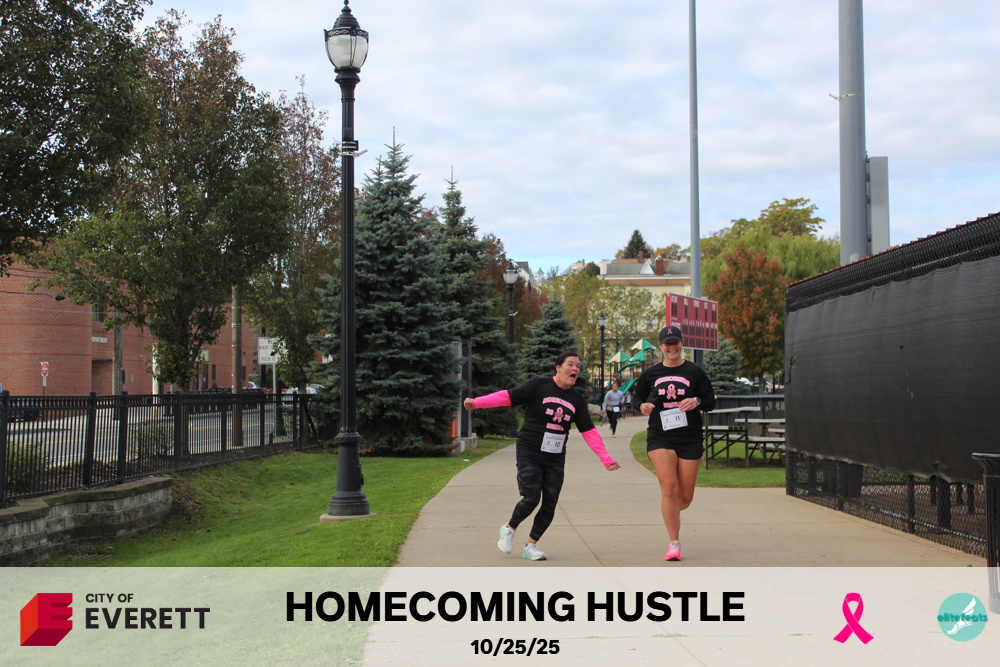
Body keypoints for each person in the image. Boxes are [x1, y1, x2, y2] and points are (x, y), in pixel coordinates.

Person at [464, 352, 621, 561]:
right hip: (530, 450)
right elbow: (508, 396)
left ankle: (531, 545)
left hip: (555, 456)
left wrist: (605, 458)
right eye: (570, 364)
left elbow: (589, 431)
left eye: (578, 366)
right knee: (531, 497)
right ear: (558, 367)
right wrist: (477, 403)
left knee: (550, 503)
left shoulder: (576, 399)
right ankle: (509, 528)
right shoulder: (538, 385)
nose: (575, 369)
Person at [632, 325, 715, 562]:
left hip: (689, 437)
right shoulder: (651, 373)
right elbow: (636, 398)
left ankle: (672, 513)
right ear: (661, 346)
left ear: (681, 344)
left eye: (675, 343)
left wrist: (697, 400)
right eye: (667, 344)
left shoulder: (694, 372)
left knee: (684, 498)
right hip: (660, 435)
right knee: (669, 488)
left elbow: (710, 401)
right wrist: (641, 406)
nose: (672, 347)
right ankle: (674, 543)